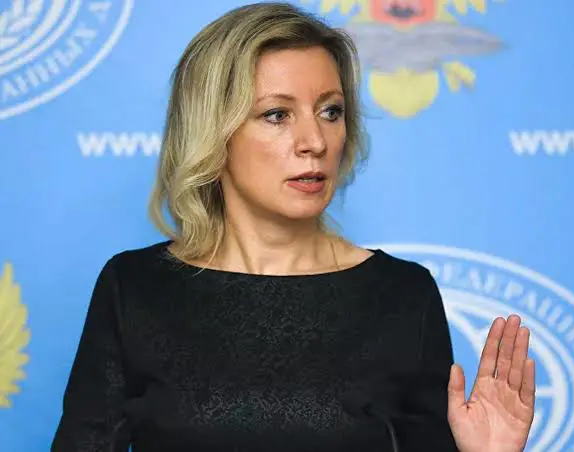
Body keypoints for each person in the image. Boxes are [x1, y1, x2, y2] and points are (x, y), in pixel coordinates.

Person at [51, 2, 535, 451]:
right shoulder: (135, 288)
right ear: (213, 131)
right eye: (277, 115)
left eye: (331, 112)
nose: (314, 141)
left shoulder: (403, 294)